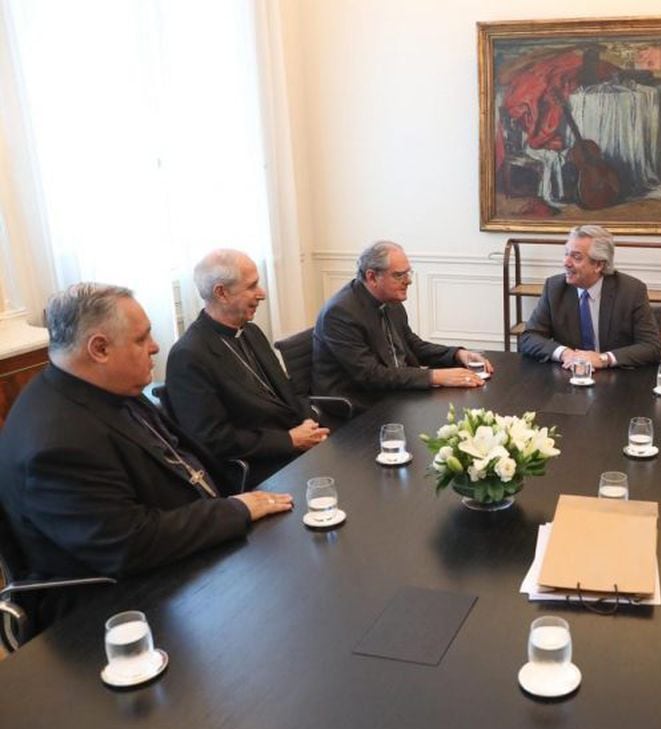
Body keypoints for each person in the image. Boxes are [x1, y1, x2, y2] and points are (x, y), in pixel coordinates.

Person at [0, 283, 292, 633]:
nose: (155, 347)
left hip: (190, 548)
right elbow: (130, 544)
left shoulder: (107, 386)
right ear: (100, 348)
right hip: (120, 608)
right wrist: (238, 510)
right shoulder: (55, 444)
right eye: (141, 339)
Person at [165, 249, 329, 488]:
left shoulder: (250, 331)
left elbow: (286, 391)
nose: (261, 294)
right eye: (252, 287)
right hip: (258, 467)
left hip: (297, 446)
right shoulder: (189, 355)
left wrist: (310, 423)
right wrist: (289, 440)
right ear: (221, 293)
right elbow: (212, 439)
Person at [312, 241, 492, 411]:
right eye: (399, 275)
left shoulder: (389, 300)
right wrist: (435, 376)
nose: (408, 281)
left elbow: (412, 345)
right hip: (362, 405)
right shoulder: (340, 313)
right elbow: (371, 375)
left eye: (408, 273)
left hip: (396, 392)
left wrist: (457, 354)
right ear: (372, 277)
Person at [518, 225, 661, 370]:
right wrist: (565, 354)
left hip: (618, 380)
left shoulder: (631, 291)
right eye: (566, 254)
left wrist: (603, 359)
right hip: (569, 377)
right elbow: (528, 338)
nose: (566, 263)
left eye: (576, 257)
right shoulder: (555, 288)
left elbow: (652, 347)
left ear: (599, 265)